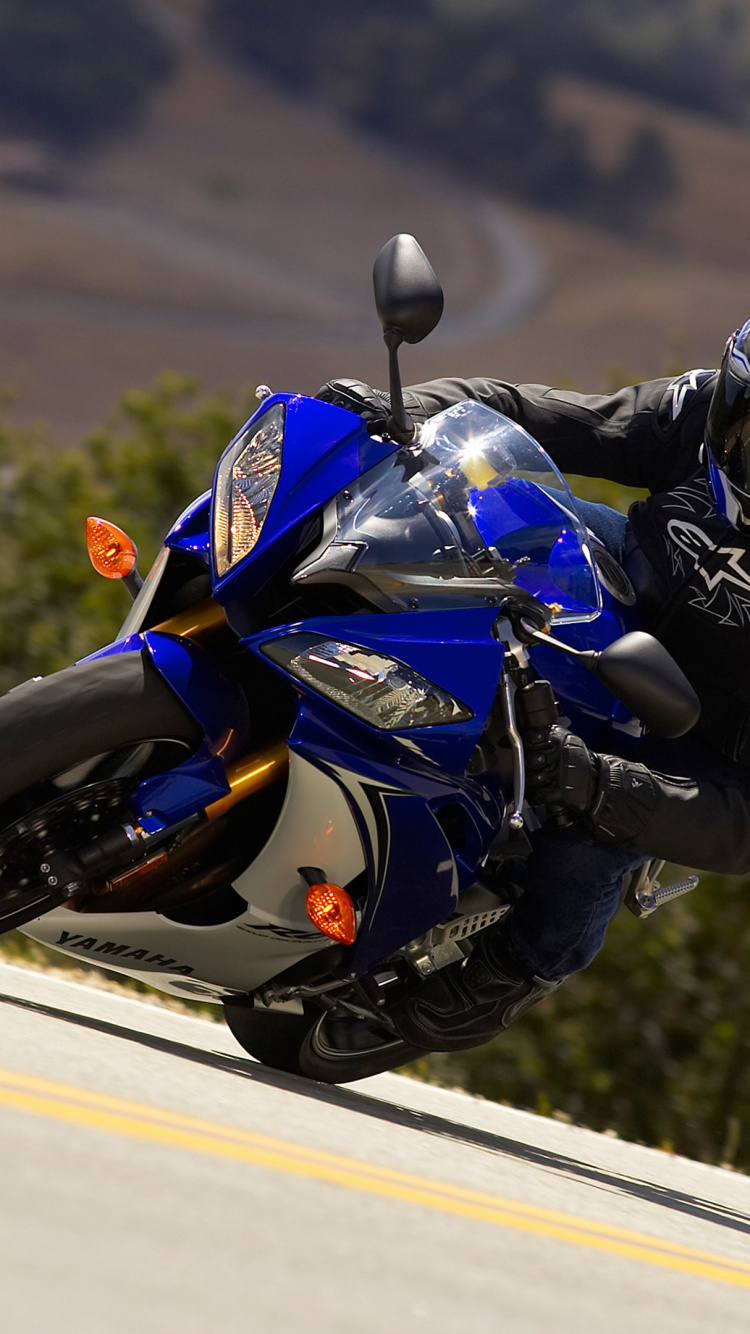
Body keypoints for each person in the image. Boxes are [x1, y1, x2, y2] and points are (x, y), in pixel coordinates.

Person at [317, 320, 750, 1052]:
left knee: (589, 844)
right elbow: (526, 411)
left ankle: (508, 975)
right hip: (613, 587)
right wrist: (410, 411)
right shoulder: (693, 415)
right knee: (460, 504)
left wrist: (599, 786)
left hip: (698, 734)